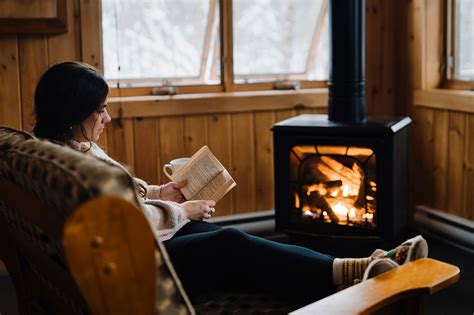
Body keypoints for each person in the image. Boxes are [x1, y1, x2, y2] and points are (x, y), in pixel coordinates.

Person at [32, 61, 428, 304]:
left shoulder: (63, 149)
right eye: (100, 111)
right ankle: (353, 273)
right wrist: (179, 208)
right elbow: (121, 218)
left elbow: (119, 197)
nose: (107, 118)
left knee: (218, 237)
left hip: (120, 254)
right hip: (127, 268)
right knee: (227, 243)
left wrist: (158, 193)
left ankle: (353, 267)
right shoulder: (73, 162)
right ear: (75, 113)